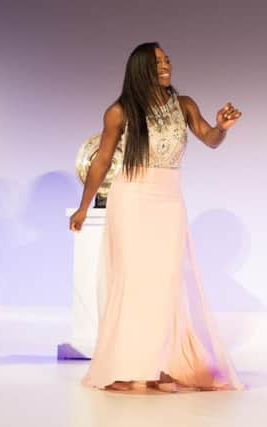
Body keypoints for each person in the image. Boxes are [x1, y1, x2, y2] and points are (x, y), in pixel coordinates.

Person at [69, 42, 243, 392]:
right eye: (158, 62)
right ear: (140, 69)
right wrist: (84, 206)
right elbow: (102, 161)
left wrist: (222, 126)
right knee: (133, 283)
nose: (166, 66)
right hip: (131, 198)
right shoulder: (119, 112)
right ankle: (128, 368)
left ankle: (155, 363)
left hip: (168, 200)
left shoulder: (184, 105)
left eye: (167, 60)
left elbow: (209, 139)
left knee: (164, 284)